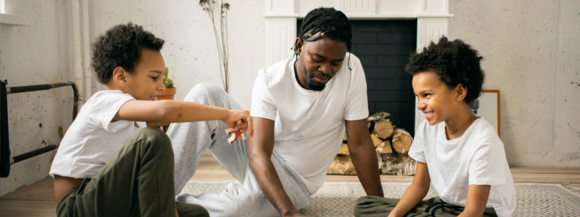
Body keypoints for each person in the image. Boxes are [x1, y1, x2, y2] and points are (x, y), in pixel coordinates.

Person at [171, 7, 384, 217]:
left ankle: (170, 208)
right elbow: (258, 153)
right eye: (318, 59)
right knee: (205, 93)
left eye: (335, 63)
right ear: (299, 46)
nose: (326, 70)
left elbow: (359, 144)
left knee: (241, 209)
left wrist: (381, 206)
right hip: (259, 153)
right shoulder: (270, 81)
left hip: (296, 180)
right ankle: (153, 194)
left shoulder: (351, 69)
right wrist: (290, 214)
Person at [49, 23, 252, 217]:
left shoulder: (130, 116)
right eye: (154, 78)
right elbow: (164, 111)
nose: (161, 87)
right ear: (121, 76)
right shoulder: (102, 101)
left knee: (198, 213)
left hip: (117, 203)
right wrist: (224, 114)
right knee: (152, 140)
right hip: (79, 206)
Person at [354, 37, 516, 217]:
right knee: (366, 205)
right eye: (418, 97)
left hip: (483, 212)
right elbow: (419, 185)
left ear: (459, 92)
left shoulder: (484, 141)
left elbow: (473, 211)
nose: (420, 105)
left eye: (427, 95)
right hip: (445, 206)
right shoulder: (428, 129)